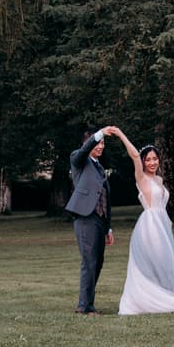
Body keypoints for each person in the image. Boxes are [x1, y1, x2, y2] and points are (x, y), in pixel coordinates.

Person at [109, 126, 174, 316]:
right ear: (143, 162)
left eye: (154, 159)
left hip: (163, 225)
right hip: (150, 226)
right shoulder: (141, 178)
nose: (152, 162)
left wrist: (168, 224)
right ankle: (147, 300)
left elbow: (163, 203)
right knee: (152, 261)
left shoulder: (159, 180)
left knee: (164, 262)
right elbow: (134, 156)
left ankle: (164, 295)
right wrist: (120, 134)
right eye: (148, 160)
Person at [65, 125, 116, 315]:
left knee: (98, 261)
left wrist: (108, 228)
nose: (101, 146)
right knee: (89, 261)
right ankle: (82, 306)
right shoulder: (78, 159)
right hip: (85, 217)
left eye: (103, 143)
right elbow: (84, 150)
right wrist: (100, 133)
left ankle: (89, 304)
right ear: (88, 142)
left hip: (100, 220)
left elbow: (106, 197)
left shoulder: (99, 167)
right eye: (98, 143)